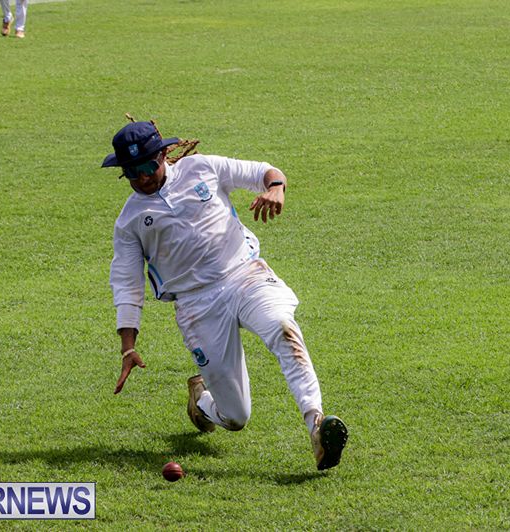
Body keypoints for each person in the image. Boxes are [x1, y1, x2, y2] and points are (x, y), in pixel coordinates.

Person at [102, 121, 348, 470]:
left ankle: (317, 426)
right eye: (131, 172)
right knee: (236, 416)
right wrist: (128, 346)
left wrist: (276, 188)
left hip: (244, 274)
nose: (141, 178)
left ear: (164, 156)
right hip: (196, 306)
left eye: (147, 167)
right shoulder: (129, 221)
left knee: (282, 326)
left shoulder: (201, 167)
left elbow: (264, 172)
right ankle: (202, 401)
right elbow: (127, 284)